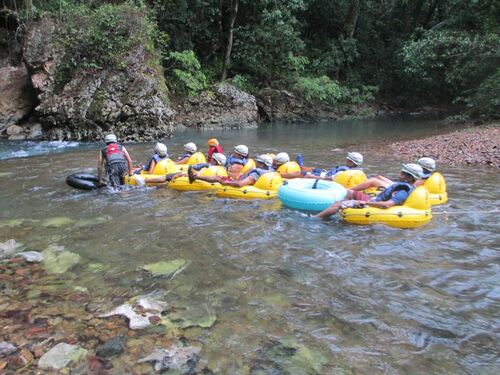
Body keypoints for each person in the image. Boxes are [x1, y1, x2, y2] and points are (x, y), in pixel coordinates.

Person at [314, 163, 423, 219]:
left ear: (409, 178)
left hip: (372, 205)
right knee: (350, 192)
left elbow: (387, 205)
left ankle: (316, 218)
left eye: (403, 173)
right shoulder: (407, 186)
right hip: (374, 199)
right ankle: (344, 213)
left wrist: (365, 203)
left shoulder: (402, 190)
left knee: (339, 204)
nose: (400, 174)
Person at [188, 154, 273, 187]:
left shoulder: (255, 174)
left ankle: (195, 177)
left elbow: (240, 184)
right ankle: (196, 175)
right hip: (241, 178)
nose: (256, 163)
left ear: (263, 164)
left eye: (258, 162)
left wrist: (226, 182)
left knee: (218, 178)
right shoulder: (269, 171)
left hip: (241, 182)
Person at [286, 152, 364, 180]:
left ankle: (280, 175)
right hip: (324, 172)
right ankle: (301, 165)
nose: (346, 160)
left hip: (322, 176)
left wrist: (310, 176)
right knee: (312, 168)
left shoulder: (344, 172)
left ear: (351, 162)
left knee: (301, 173)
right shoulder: (349, 170)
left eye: (348, 160)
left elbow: (330, 179)